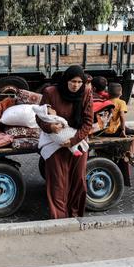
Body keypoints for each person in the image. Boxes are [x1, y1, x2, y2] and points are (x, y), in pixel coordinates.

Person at [36, 65, 93, 219]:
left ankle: (74, 215)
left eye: (79, 82)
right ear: (66, 80)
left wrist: (73, 140)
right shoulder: (50, 92)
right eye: (72, 81)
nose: (76, 85)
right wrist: (50, 127)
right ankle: (59, 218)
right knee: (58, 183)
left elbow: (88, 122)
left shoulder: (86, 92)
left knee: (78, 181)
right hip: (55, 142)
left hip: (77, 141)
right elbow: (39, 117)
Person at [102, 83, 134, 167]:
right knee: (133, 133)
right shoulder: (121, 102)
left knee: (127, 130)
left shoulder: (105, 102)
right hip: (113, 131)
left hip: (103, 131)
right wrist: (123, 130)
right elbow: (122, 116)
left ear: (108, 93)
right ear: (121, 93)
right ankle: (131, 154)